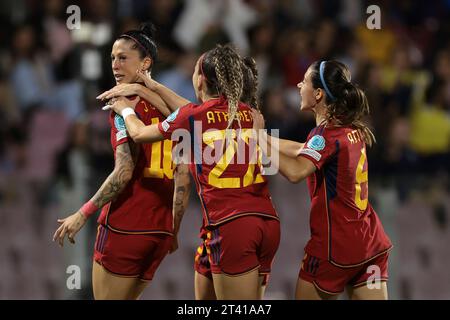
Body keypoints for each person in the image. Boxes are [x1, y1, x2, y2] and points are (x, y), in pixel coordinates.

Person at [103, 44, 280, 300]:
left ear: (201, 79)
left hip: (230, 226)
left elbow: (141, 133)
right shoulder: (248, 113)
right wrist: (147, 87)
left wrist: (124, 108)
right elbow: (187, 110)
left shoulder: (194, 117)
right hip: (265, 222)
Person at [52, 23, 191, 300]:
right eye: (113, 58)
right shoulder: (176, 113)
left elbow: (124, 171)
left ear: (146, 63)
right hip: (160, 229)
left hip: (125, 226)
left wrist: (83, 213)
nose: (115, 64)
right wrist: (173, 228)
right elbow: (183, 174)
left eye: (123, 57)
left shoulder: (122, 106)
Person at [251, 60, 393, 300]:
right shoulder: (350, 129)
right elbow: (303, 149)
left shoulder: (324, 134)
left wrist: (256, 139)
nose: (298, 84)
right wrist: (261, 137)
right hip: (369, 244)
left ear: (318, 94)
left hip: (334, 249)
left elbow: (296, 171)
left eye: (304, 81)